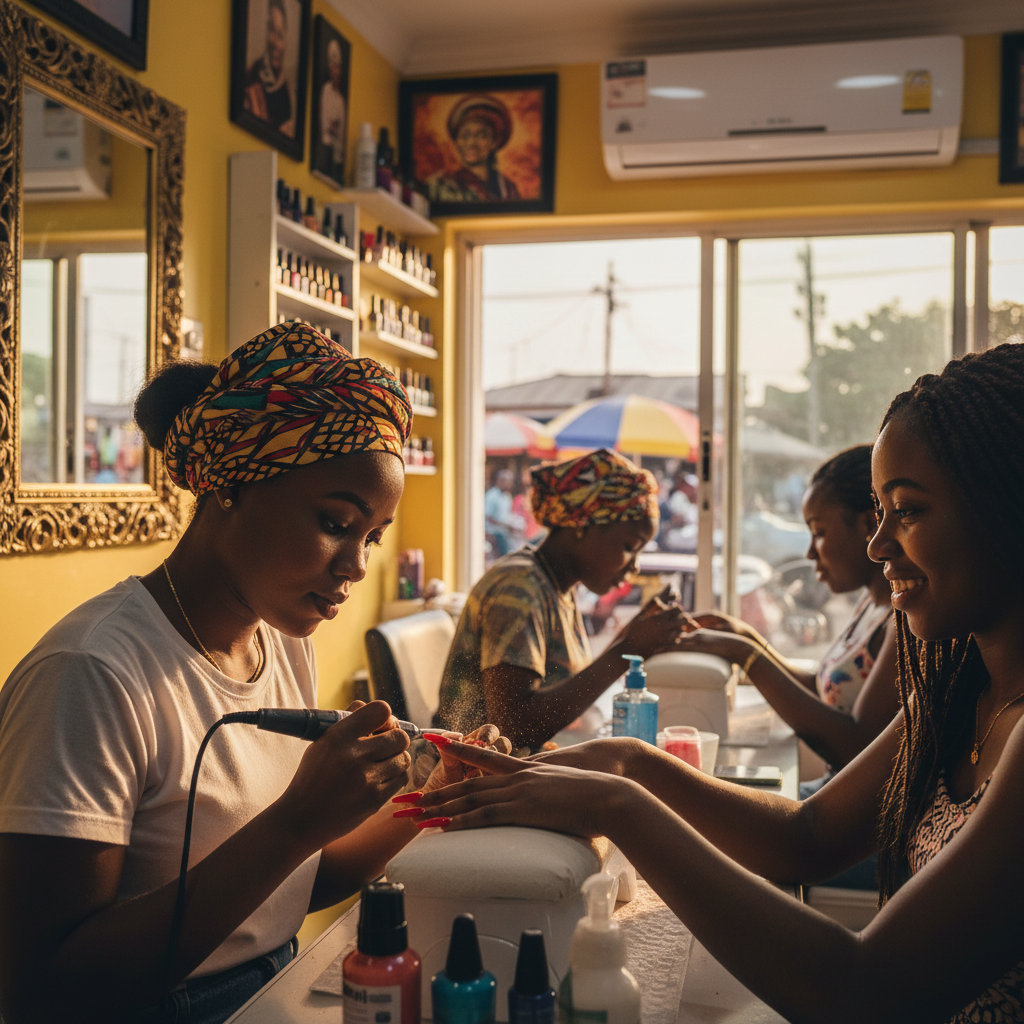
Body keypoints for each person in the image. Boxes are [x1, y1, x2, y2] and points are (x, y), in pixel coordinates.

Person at [408, 343, 1024, 1024]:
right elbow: (809, 834)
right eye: (879, 512)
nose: (880, 547)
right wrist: (628, 762)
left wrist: (621, 804)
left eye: (906, 510)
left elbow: (867, 991)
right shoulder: (958, 690)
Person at [0, 322, 506, 1024]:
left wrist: (429, 795)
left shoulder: (281, 640)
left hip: (277, 986)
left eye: (372, 537)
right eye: (336, 522)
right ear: (233, 483)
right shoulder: (89, 674)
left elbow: (287, 890)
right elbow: (44, 990)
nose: (357, 566)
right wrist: (295, 823)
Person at [676, 445, 899, 793]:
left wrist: (746, 657)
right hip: (835, 793)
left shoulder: (902, 626)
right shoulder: (871, 605)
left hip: (862, 824)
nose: (810, 552)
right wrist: (747, 638)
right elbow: (824, 687)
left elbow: (856, 745)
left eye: (820, 533)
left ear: (869, 525)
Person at [434, 449, 688, 752]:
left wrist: (634, 636)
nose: (634, 567)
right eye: (629, 546)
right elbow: (513, 730)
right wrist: (629, 649)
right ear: (584, 524)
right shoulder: (519, 589)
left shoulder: (556, 586)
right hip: (474, 781)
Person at [427, 94, 521, 204]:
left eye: (481, 135)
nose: (471, 143)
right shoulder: (440, 185)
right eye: (465, 136)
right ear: (456, 142)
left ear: (494, 142)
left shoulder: (508, 190)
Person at [244, 0, 294, 137]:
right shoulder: (251, 77)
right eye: (272, 30)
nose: (276, 43)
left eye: (281, 36)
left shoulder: (285, 91)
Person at [316, 37, 347, 182]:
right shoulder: (326, 91)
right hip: (325, 151)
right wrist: (333, 127)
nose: (336, 72)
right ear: (329, 68)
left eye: (339, 66)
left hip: (335, 156)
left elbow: (340, 131)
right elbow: (325, 126)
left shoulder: (341, 100)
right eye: (334, 66)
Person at [483, 467, 519, 557]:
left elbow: (508, 515)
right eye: (509, 481)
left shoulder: (507, 496)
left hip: (506, 532)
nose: (511, 484)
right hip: (494, 532)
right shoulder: (491, 495)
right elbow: (488, 516)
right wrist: (505, 525)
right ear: (501, 481)